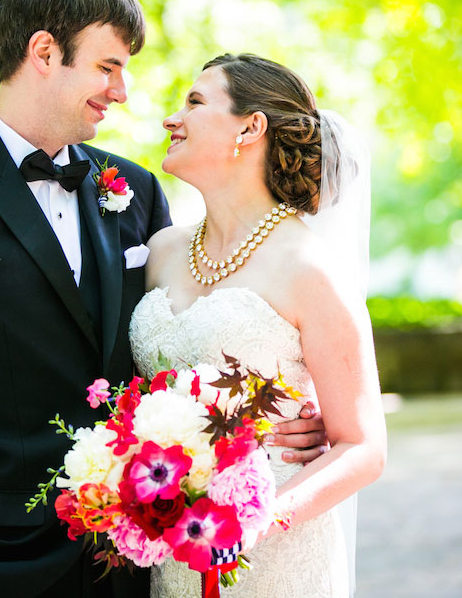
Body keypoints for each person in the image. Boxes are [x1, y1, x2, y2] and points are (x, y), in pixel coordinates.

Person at [0, 0, 330, 598]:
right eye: (108, 66)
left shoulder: (136, 191)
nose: (122, 91)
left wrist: (268, 417)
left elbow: (176, 355)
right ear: (44, 51)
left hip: (133, 562)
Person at [130, 53, 387, 597]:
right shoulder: (162, 251)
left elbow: (363, 447)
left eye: (195, 103)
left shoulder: (310, 269)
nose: (171, 119)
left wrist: (258, 522)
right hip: (169, 553)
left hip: (271, 557)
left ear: (250, 127)